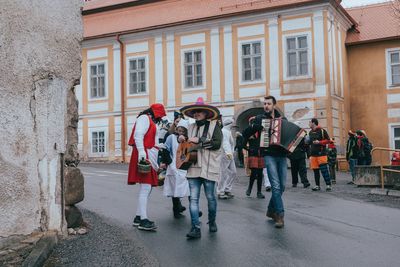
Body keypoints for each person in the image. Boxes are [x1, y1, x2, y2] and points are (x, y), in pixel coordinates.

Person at [179, 97, 222, 239]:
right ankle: (195, 228)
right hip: (193, 168)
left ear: (206, 113)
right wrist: (181, 138)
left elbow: (216, 144)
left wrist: (200, 141)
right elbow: (182, 139)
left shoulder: (214, 125)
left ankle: (212, 221)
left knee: (211, 198)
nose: (196, 114)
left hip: (209, 167)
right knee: (193, 200)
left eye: (199, 111)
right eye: (194, 112)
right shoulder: (190, 127)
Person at [246, 96, 288, 228]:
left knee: (281, 186)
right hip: (269, 154)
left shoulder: (283, 120)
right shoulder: (260, 119)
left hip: (282, 155)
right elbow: (246, 133)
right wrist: (254, 127)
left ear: (274, 105)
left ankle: (270, 210)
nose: (266, 106)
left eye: (268, 104)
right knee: (275, 185)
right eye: (265, 104)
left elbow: (289, 137)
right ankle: (279, 216)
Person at [128, 103, 167, 231]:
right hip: (144, 154)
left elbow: (148, 139)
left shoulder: (147, 119)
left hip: (147, 153)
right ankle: (143, 220)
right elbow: (138, 135)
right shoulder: (145, 118)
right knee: (146, 187)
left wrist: (159, 146)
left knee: (147, 187)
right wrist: (142, 152)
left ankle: (138, 217)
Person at [161, 119, 190, 219]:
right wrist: (169, 164)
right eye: (179, 130)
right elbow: (165, 150)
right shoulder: (171, 138)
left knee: (185, 188)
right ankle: (176, 210)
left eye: (183, 131)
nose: (181, 132)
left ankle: (183, 207)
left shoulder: (187, 140)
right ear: (177, 129)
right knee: (174, 189)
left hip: (183, 167)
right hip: (173, 166)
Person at [243, 117, 265, 199]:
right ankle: (249, 188)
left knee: (260, 174)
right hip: (253, 154)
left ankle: (259, 192)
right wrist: (250, 149)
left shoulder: (261, 131)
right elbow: (243, 145)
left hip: (261, 154)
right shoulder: (248, 132)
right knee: (254, 173)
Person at [308, 118, 332, 192]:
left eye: (310, 122)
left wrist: (319, 142)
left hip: (321, 154)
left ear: (314, 123)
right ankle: (317, 186)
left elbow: (329, 140)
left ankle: (328, 185)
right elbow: (310, 143)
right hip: (313, 155)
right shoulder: (310, 132)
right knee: (315, 171)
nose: (309, 124)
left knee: (324, 170)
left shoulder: (322, 131)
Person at [217, 118, 237, 199]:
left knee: (233, 172)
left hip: (229, 155)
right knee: (223, 173)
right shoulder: (224, 131)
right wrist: (229, 153)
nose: (233, 125)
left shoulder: (227, 132)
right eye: (232, 124)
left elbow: (230, 143)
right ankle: (220, 191)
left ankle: (227, 189)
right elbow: (225, 143)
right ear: (230, 124)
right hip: (225, 155)